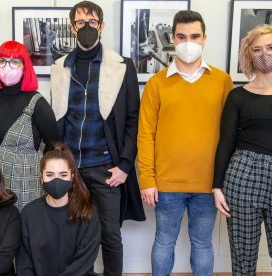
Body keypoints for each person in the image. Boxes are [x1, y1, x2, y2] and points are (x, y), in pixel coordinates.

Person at [49, 2, 145, 275]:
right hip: (70, 167)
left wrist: (125, 164)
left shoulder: (122, 66)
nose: (87, 27)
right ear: (72, 28)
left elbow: (132, 120)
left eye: (93, 22)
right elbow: (57, 116)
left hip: (105, 166)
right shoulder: (60, 67)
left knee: (110, 236)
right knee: (74, 235)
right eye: (81, 23)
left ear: (102, 26)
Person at [137, 10, 234, 275]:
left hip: (209, 183)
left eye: (194, 36)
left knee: (202, 244)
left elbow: (231, 134)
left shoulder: (222, 81)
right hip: (166, 184)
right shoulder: (156, 84)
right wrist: (147, 178)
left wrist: (223, 181)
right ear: (173, 38)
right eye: (181, 36)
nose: (188, 42)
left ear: (204, 38)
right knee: (164, 242)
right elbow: (145, 134)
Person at [213, 24, 272, 276]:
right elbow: (226, 141)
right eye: (257, 49)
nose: (264, 54)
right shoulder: (238, 96)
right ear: (249, 55)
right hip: (244, 175)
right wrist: (217, 186)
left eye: (270, 47)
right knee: (243, 256)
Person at [0, 40, 60, 210]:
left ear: (25, 66)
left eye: (14, 61)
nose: (6, 66)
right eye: (2, 61)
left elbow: (55, 143)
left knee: (24, 231)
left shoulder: (37, 103)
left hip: (26, 181)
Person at [16, 143, 100, 275]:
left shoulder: (88, 213)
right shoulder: (29, 213)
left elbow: (83, 263)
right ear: (41, 177)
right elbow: (24, 263)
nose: (56, 180)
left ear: (72, 177)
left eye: (63, 175)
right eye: (49, 175)